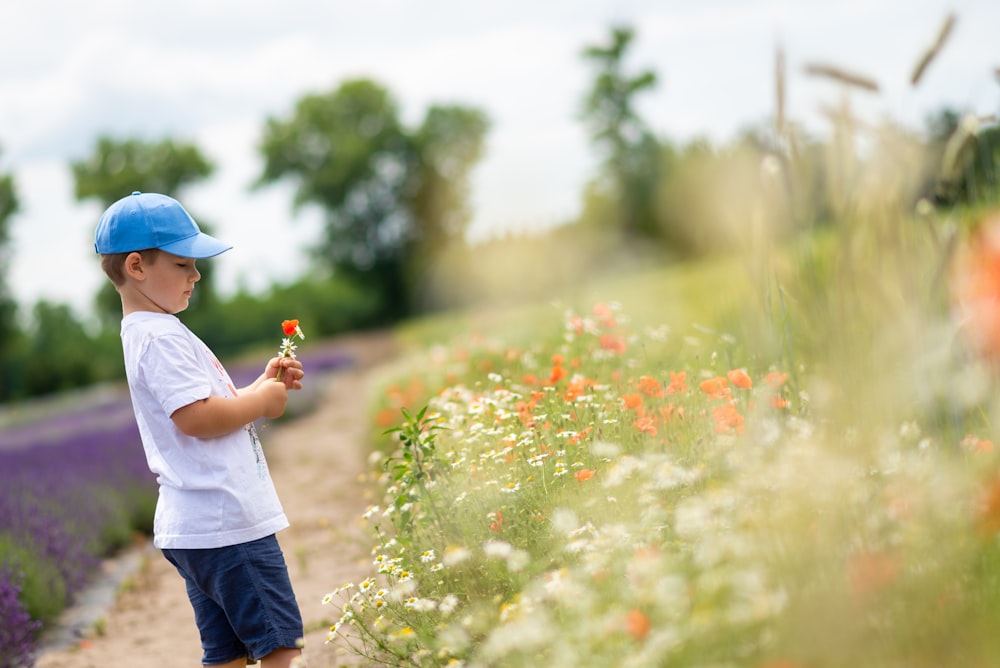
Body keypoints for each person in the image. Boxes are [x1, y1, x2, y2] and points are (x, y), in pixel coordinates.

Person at [94, 191, 306, 668]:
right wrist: (261, 404)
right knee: (279, 644)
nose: (196, 275)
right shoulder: (161, 336)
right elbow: (195, 419)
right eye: (183, 264)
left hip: (197, 528)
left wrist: (258, 386)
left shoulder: (148, 330)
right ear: (137, 267)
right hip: (226, 520)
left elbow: (207, 404)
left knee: (227, 652)